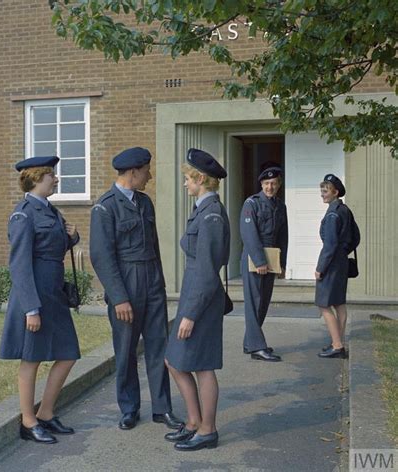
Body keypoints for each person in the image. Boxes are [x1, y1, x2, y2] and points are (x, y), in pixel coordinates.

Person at [89, 147, 182, 431]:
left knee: (158, 347)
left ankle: (162, 408)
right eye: (146, 172)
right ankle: (129, 409)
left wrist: (160, 285)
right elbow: (102, 257)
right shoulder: (105, 207)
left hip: (151, 282)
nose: (149, 176)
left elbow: (153, 247)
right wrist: (119, 298)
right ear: (133, 172)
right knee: (126, 349)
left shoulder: (145, 203)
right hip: (126, 284)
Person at [0, 156, 81, 444]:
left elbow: (53, 244)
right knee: (31, 359)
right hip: (34, 296)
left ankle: (45, 413)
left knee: (68, 353)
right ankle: (28, 421)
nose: (56, 179)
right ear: (36, 179)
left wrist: (74, 236)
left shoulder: (51, 211)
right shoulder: (23, 214)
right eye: (51, 176)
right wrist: (30, 308)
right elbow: (19, 265)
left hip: (54, 293)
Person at [164, 148, 230, 451]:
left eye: (187, 179)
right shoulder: (204, 209)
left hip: (201, 300)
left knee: (202, 365)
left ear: (200, 178)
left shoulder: (212, 214)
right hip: (195, 296)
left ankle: (207, 429)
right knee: (174, 359)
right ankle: (193, 421)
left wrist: (189, 314)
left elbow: (206, 271)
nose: (184, 184)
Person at [240, 165, 288, 361]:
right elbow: (249, 234)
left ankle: (250, 343)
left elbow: (283, 236)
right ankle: (257, 347)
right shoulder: (252, 203)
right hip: (254, 256)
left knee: (263, 302)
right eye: (267, 183)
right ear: (261, 184)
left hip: (272, 257)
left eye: (274, 184)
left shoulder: (280, 205)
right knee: (254, 303)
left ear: (279, 185)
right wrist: (259, 261)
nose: (270, 187)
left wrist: (282, 263)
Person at [315, 174, 360, 358]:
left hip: (332, 263)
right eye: (322, 191)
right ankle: (338, 342)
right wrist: (344, 251)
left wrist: (320, 268)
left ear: (335, 192)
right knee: (339, 304)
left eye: (326, 191)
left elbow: (330, 244)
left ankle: (337, 345)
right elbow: (356, 237)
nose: (323, 195)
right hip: (341, 261)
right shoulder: (345, 210)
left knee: (324, 305)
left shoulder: (333, 213)